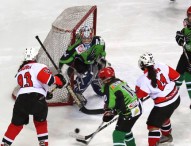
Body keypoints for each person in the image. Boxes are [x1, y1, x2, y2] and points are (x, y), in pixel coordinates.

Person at [1, 48, 65, 146]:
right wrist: (59, 80)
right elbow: (48, 80)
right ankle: (43, 143)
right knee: (40, 123)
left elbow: (30, 85)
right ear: (35, 56)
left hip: (20, 101)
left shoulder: (20, 70)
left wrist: (44, 92)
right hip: (37, 100)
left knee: (15, 125)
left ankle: (5, 144)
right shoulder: (38, 66)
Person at [135, 52, 180, 146]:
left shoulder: (142, 80)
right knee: (164, 116)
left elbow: (138, 96)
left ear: (142, 65)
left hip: (163, 105)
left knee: (152, 126)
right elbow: (177, 77)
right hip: (176, 98)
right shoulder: (162, 65)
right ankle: (167, 136)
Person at [59, 25, 109, 106]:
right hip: (79, 62)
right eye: (84, 38)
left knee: (101, 69)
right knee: (88, 74)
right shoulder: (76, 46)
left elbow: (102, 52)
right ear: (81, 37)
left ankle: (96, 82)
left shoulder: (100, 41)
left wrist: (102, 59)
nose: (86, 41)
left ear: (92, 36)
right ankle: (77, 91)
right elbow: (64, 60)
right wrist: (62, 72)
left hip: (91, 61)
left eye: (88, 38)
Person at [98, 67, 142, 146]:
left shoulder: (108, 87)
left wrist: (109, 111)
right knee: (126, 130)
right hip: (138, 107)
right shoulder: (119, 81)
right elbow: (121, 99)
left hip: (128, 112)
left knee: (117, 135)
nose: (101, 80)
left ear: (105, 78)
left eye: (101, 78)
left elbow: (111, 104)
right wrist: (114, 111)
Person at [175, 6, 191, 109]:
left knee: (189, 79)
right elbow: (182, 34)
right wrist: (179, 37)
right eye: (190, 16)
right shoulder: (187, 25)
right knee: (178, 75)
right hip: (186, 56)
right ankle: (172, 96)